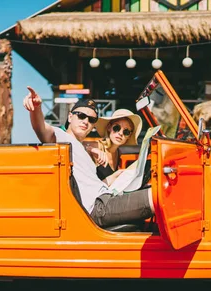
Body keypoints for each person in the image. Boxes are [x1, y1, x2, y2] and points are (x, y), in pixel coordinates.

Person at [23, 86, 154, 228]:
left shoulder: (84, 152)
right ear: (70, 117)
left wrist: (120, 175)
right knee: (159, 196)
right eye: (81, 116)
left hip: (107, 199)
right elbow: (41, 128)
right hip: (98, 207)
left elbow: (93, 185)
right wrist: (36, 108)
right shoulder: (61, 137)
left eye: (91, 120)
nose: (86, 121)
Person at [88, 109, 142, 181]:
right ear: (109, 127)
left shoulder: (118, 153)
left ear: (129, 136)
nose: (120, 133)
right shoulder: (97, 146)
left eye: (126, 132)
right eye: (117, 128)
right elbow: (77, 146)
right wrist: (91, 149)